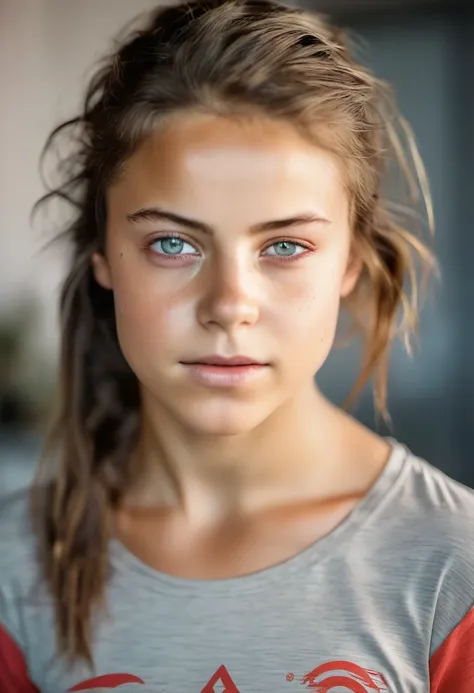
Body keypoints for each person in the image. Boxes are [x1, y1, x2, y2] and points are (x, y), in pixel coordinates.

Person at [1, 0, 473, 690]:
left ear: (350, 261)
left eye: (284, 245)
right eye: (172, 242)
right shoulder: (15, 568)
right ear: (103, 251)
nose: (228, 305)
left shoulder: (452, 564)